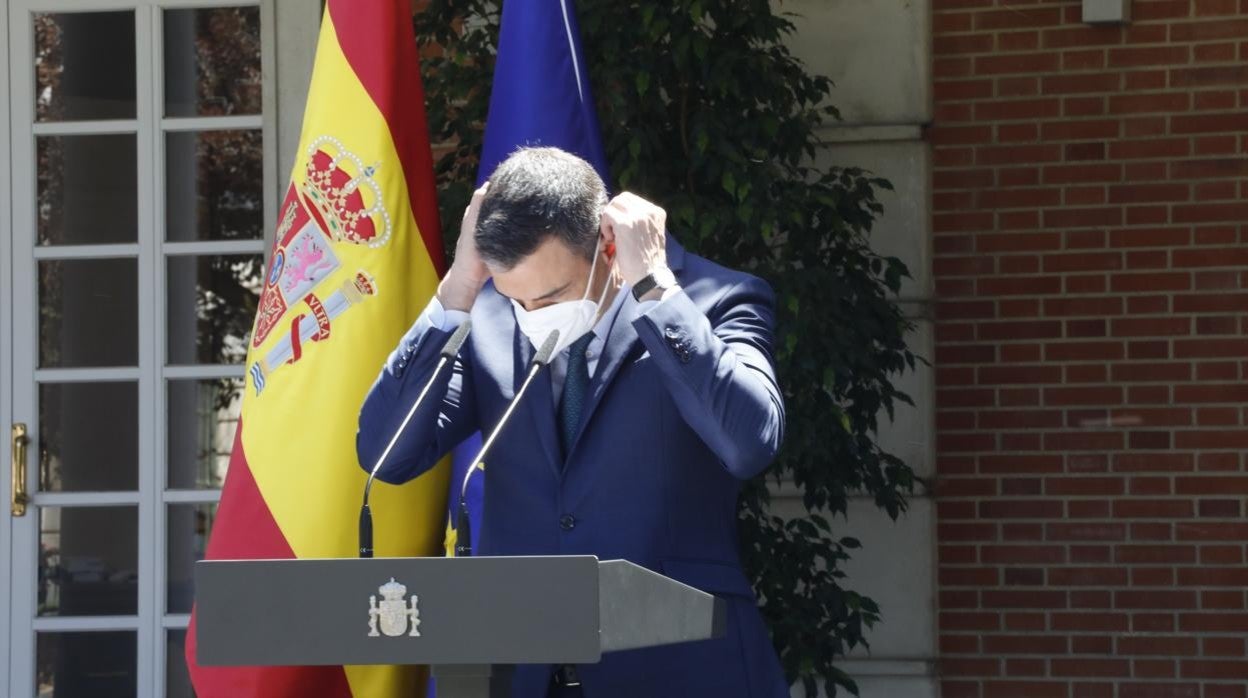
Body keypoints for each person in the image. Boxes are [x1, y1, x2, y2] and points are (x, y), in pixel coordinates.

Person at [357, 147, 788, 698]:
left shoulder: (715, 300)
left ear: (608, 247)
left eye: (552, 296)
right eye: (517, 299)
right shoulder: (487, 318)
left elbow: (750, 441)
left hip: (676, 665)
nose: (532, 316)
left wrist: (655, 288)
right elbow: (385, 453)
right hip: (518, 669)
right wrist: (457, 292)